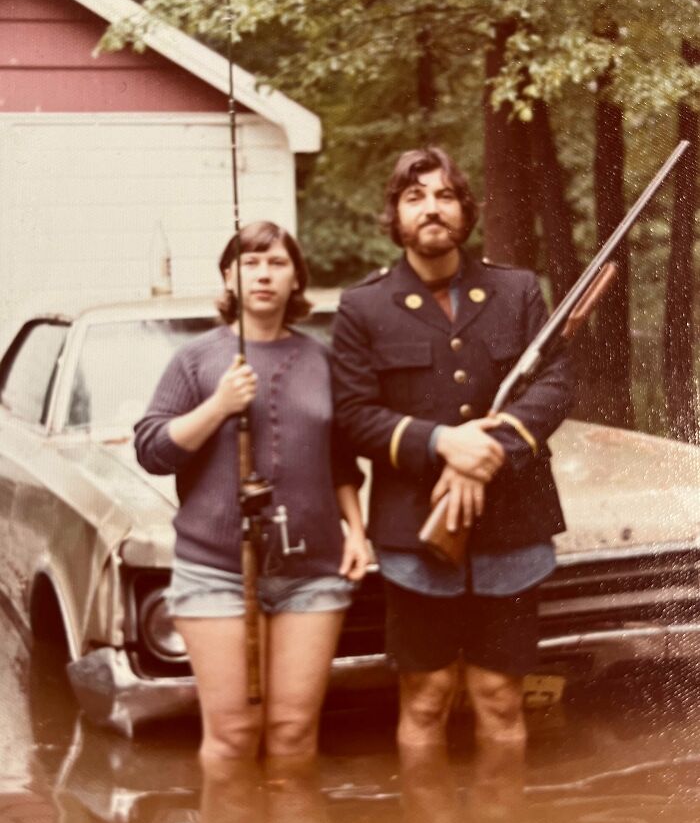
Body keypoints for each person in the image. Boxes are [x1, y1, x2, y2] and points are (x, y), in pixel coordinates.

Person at [331, 147, 573, 751]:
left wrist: (488, 451)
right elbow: (354, 414)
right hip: (417, 532)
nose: (431, 209)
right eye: (415, 198)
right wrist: (444, 444)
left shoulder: (517, 291)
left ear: (465, 211)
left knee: (500, 699)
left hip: (511, 529)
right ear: (396, 216)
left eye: (444, 196)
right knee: (427, 699)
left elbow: (556, 383)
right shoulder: (363, 307)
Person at [134, 220, 369, 769]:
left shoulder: (323, 360)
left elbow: (341, 460)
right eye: (250, 262)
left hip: (312, 574)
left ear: (295, 281)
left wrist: (356, 531)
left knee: (292, 735)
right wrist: (218, 406)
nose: (264, 273)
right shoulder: (194, 360)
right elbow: (151, 450)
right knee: (233, 737)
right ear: (229, 278)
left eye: (277, 262)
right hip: (215, 571)